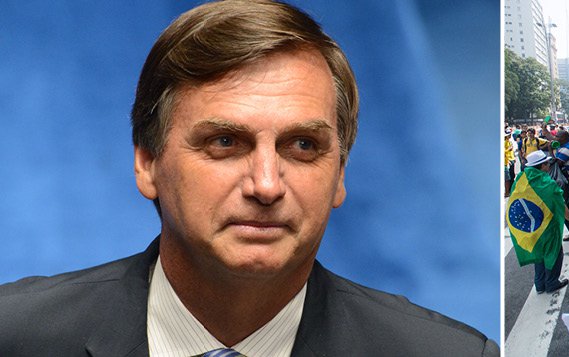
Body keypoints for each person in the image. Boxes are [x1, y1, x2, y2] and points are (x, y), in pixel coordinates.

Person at [0, 1, 498, 355]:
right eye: (224, 143)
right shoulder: (16, 336)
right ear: (147, 163)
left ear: (340, 174)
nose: (266, 185)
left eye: (303, 146)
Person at [513, 151, 569, 294]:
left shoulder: (521, 180)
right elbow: (560, 203)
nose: (549, 165)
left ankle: (539, 284)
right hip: (548, 227)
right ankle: (552, 282)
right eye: (547, 163)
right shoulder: (546, 182)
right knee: (554, 253)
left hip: (531, 227)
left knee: (539, 255)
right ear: (542, 166)